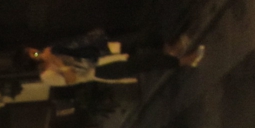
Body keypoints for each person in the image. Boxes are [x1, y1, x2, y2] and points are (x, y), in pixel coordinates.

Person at [24, 37, 204, 86]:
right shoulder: (47, 76)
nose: (36, 51)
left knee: (141, 43)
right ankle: (186, 61)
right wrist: (58, 63)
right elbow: (72, 80)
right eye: (33, 54)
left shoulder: (49, 50)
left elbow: (75, 48)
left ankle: (173, 53)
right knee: (143, 63)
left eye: (33, 50)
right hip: (101, 70)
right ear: (32, 61)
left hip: (101, 54)